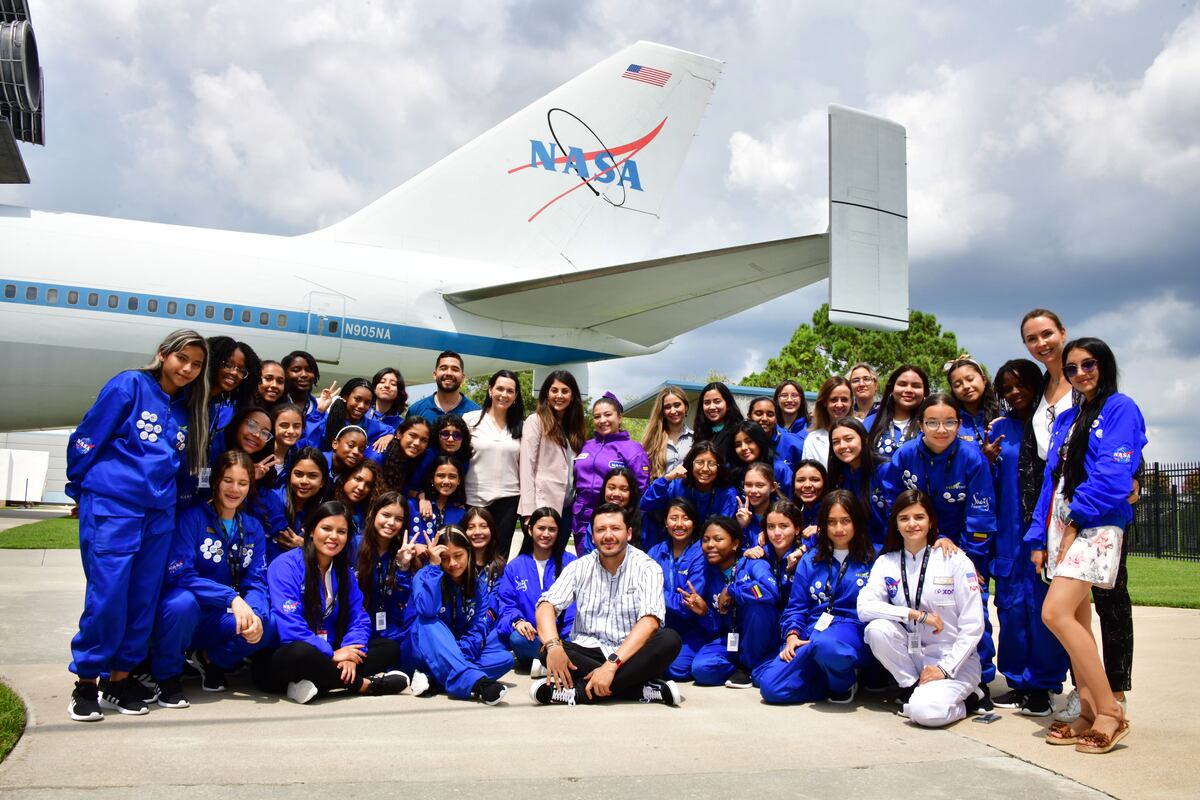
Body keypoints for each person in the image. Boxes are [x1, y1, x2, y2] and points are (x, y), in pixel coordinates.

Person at [67, 329, 210, 722]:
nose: (188, 369)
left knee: (142, 598)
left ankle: (120, 679)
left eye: (197, 365)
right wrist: (79, 487)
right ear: (163, 354)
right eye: (183, 358)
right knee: (108, 596)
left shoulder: (188, 408)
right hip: (114, 504)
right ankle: (85, 683)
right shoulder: (130, 384)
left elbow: (182, 468)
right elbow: (88, 437)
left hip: (159, 513)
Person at [1027, 338, 1144, 753]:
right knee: (1077, 619)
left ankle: (1112, 710)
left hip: (1095, 523)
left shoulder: (1120, 408)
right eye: (1072, 368)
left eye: (1088, 364)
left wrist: (1077, 519)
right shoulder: (1069, 418)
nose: (1080, 374)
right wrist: (1039, 536)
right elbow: (1051, 482)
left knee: (1054, 613)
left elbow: (1116, 472)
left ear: (1105, 365)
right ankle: (1089, 710)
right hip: (1062, 523)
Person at [883, 394, 998, 703]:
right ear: (920, 424)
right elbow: (894, 504)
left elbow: (981, 514)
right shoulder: (905, 455)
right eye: (932, 422)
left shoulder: (971, 458)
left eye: (949, 422)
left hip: (961, 547)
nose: (941, 429)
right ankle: (912, 676)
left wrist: (971, 559)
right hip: (917, 542)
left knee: (975, 608)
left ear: (959, 424)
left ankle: (980, 678)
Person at [152, 451, 274, 707]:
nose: (234, 489)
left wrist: (256, 613)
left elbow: (256, 581)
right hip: (190, 613)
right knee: (181, 603)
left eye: (243, 483)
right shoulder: (192, 519)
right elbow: (181, 573)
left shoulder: (252, 527)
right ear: (216, 480)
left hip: (222, 618)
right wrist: (231, 597)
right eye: (228, 480)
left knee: (267, 623)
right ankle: (167, 677)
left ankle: (210, 660)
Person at [531, 504, 683, 706]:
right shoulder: (580, 566)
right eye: (601, 530)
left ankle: (579, 693)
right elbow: (546, 606)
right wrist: (553, 646)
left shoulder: (647, 567)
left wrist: (611, 666)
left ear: (628, 533)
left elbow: (650, 622)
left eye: (615, 528)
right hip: (587, 650)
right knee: (545, 649)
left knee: (669, 640)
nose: (608, 535)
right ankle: (638, 688)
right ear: (592, 537)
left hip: (630, 653)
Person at [258, 501, 408, 703]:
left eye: (341, 531)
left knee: (388, 648)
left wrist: (350, 650)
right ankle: (364, 685)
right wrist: (332, 654)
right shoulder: (285, 566)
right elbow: (291, 627)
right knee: (300, 653)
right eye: (326, 528)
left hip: (332, 650)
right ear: (310, 531)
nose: (333, 537)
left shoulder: (344, 573)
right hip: (287, 654)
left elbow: (359, 618)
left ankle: (315, 684)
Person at [858, 490, 985, 727]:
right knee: (876, 629)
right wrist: (914, 614)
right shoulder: (887, 562)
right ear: (895, 524)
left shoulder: (954, 560)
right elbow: (864, 608)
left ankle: (971, 699)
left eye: (919, 517)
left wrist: (945, 669)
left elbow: (974, 625)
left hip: (953, 660)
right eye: (904, 518)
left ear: (931, 522)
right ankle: (910, 688)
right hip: (914, 658)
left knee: (925, 713)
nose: (911, 524)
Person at [987, 359, 1069, 716]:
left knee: (1042, 608)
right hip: (1006, 532)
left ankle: (1043, 684)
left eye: (1020, 384)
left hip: (1044, 530)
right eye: (1006, 387)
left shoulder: (1052, 424)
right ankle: (1018, 681)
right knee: (1010, 606)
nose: (1014, 391)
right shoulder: (998, 429)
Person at [757, 491, 875, 704]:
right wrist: (792, 635)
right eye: (831, 522)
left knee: (828, 647)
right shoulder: (810, 559)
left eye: (846, 521)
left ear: (856, 521)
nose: (838, 529)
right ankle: (831, 684)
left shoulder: (874, 557)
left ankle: (843, 680)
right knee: (771, 687)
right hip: (812, 632)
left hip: (852, 631)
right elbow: (796, 607)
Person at [402, 526, 511, 704]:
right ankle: (479, 684)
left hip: (455, 652)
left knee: (505, 659)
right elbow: (427, 611)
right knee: (428, 622)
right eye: (445, 558)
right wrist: (434, 567)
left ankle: (433, 680)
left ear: (469, 553)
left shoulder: (477, 585)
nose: (452, 563)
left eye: (458, 555)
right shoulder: (424, 575)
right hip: (420, 648)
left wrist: (456, 654)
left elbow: (478, 627)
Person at [496, 507, 576, 676]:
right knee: (517, 639)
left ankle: (548, 665)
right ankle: (560, 664)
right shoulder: (515, 566)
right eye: (541, 528)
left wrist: (563, 639)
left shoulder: (571, 563)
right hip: (534, 640)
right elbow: (506, 605)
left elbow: (576, 606)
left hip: (565, 639)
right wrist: (518, 622)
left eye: (552, 529)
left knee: (577, 643)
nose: (546, 534)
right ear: (530, 530)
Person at [571, 393, 650, 544]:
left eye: (608, 415)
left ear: (619, 417)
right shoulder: (586, 446)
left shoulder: (633, 449)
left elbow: (641, 489)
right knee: (586, 565)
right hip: (582, 519)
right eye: (597, 416)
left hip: (615, 519)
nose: (602, 420)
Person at [463, 370, 524, 557]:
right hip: (473, 499)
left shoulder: (523, 426)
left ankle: (496, 587)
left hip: (509, 499)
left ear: (515, 396)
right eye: (499, 389)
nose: (504, 395)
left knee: (499, 555)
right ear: (490, 390)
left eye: (510, 391)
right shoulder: (470, 420)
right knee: (472, 553)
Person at [646, 498, 708, 681]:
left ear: (694, 523)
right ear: (665, 522)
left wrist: (655, 594)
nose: (679, 524)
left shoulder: (700, 554)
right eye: (674, 518)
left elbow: (687, 605)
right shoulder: (655, 552)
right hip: (660, 628)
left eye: (686, 518)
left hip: (691, 629)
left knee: (676, 670)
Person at [639, 442, 739, 551]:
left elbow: (722, 530)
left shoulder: (727, 494)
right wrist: (666, 479)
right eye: (700, 463)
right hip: (675, 543)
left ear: (719, 467)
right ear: (691, 464)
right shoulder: (678, 485)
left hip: (709, 549)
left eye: (711, 464)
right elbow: (645, 504)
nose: (705, 469)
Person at [519, 370, 586, 527]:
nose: (559, 396)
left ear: (572, 396)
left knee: (558, 553)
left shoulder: (575, 428)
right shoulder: (535, 421)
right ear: (546, 394)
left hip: (567, 508)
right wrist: (529, 511)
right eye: (554, 390)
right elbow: (526, 467)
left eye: (565, 391)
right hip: (541, 508)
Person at [353, 491, 416, 653]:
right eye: (386, 515)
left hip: (390, 631)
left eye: (398, 519)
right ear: (373, 514)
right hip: (355, 626)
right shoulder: (354, 545)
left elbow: (402, 601)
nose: (391, 523)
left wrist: (403, 567)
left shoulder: (405, 552)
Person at [257, 447, 328, 563]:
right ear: (290, 475)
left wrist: (305, 546)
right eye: (298, 474)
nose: (304, 481)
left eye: (312, 476)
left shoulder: (322, 515)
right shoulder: (270, 498)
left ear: (323, 481)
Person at [826, 417, 889, 547]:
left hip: (886, 549)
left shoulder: (885, 471)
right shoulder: (839, 475)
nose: (842, 446)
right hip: (853, 549)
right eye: (836, 442)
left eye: (848, 439)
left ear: (864, 439)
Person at [865, 365, 929, 459]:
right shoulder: (871, 422)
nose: (908, 390)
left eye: (916, 386)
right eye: (902, 384)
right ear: (892, 388)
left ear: (925, 392)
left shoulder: (933, 424)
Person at [576, 467, 642, 555]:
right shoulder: (596, 521)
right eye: (611, 488)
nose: (616, 494)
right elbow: (588, 555)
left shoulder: (643, 522)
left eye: (623, 489)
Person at [205, 337, 262, 436]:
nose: (235, 373)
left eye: (241, 370)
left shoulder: (216, 402)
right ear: (213, 362)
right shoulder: (189, 397)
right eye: (228, 365)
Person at [406, 350, 481, 423]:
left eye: (455, 369)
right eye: (443, 368)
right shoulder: (416, 410)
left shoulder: (476, 413)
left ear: (462, 377)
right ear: (434, 375)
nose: (449, 373)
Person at [407, 456, 467, 544]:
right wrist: (414, 545)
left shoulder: (461, 513)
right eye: (441, 476)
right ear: (432, 478)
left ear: (459, 481)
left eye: (452, 476)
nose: (446, 481)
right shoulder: (412, 505)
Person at [945, 355, 1000, 450]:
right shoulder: (948, 423)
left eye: (970, 379)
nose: (966, 386)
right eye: (957, 385)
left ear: (984, 379)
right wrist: (983, 459)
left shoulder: (1003, 416)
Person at [727, 420, 793, 497]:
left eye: (749, 441)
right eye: (738, 445)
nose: (743, 448)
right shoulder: (732, 470)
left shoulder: (779, 469)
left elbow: (792, 502)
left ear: (760, 441)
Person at [641, 386, 693, 479]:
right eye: (667, 407)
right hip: (660, 492)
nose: (673, 411)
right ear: (662, 411)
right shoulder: (652, 440)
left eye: (677, 405)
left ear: (686, 407)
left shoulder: (696, 439)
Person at [802, 377, 853, 465]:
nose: (839, 405)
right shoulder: (813, 439)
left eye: (844, 399)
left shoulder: (863, 429)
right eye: (833, 400)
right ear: (824, 402)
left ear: (851, 401)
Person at [734, 462, 781, 553]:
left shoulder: (784, 514)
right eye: (748, 485)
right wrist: (742, 526)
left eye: (760, 485)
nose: (753, 491)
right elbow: (734, 549)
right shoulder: (739, 513)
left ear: (773, 487)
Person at [748, 396, 804, 471]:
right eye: (758, 414)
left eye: (770, 415)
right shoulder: (742, 442)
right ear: (749, 417)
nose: (764, 418)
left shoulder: (793, 443)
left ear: (776, 418)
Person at [376, 416, 431, 493]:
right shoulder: (379, 454)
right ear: (399, 433)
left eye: (424, 440)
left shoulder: (415, 459)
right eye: (413, 435)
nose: (417, 443)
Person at [693, 381, 744, 455]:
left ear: (728, 403)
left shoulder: (738, 431)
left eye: (717, 401)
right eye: (707, 403)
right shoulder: (700, 432)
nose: (712, 407)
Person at [791, 460, 828, 545]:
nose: (807, 485)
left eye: (814, 480)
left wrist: (824, 531)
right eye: (801, 480)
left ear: (824, 483)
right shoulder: (792, 515)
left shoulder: (836, 511)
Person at [281, 350, 321, 417]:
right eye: (296, 370)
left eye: (309, 370)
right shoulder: (275, 405)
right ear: (285, 373)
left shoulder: (321, 409)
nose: (304, 375)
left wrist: (319, 413)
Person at [367, 367, 408, 432]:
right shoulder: (361, 413)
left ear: (398, 392)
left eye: (393, 384)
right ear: (374, 388)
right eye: (382, 382)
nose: (386, 385)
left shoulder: (401, 425)